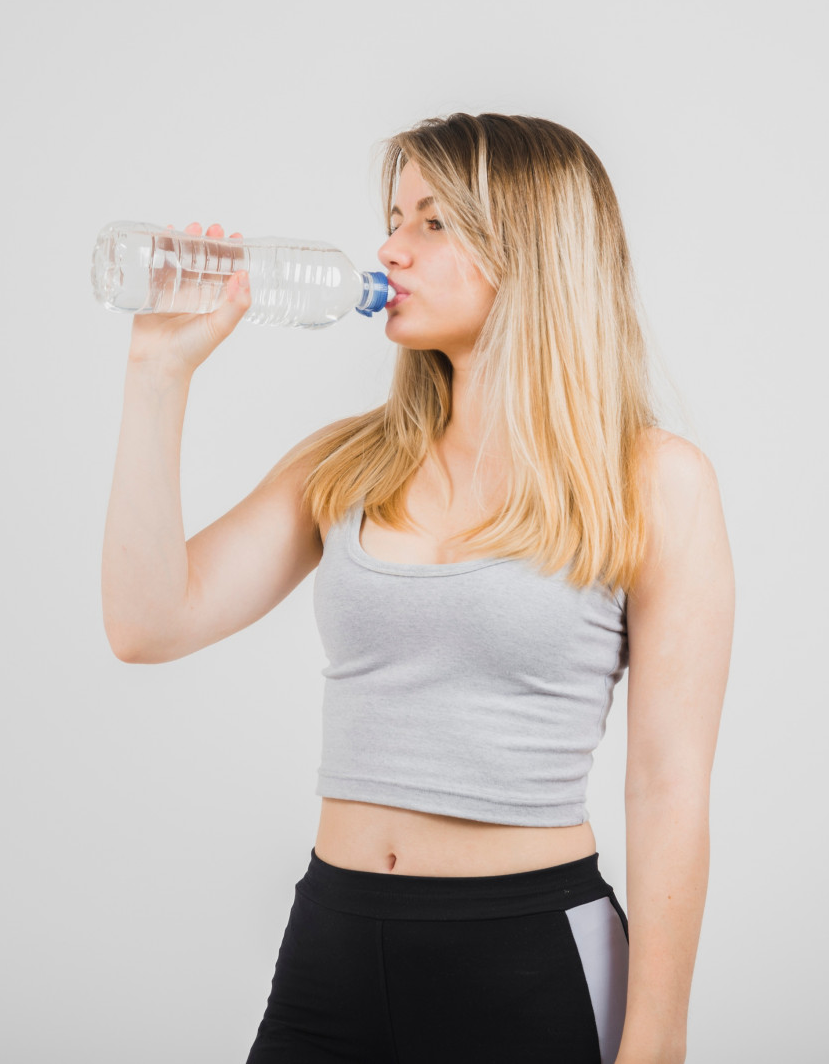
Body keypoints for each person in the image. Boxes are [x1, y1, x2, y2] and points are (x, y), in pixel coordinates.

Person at [102, 112, 735, 1063]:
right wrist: (157, 374)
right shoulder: (348, 462)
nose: (390, 247)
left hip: (530, 951)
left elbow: (669, 784)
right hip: (336, 941)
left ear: (531, 247)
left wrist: (658, 1039)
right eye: (394, 215)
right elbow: (147, 621)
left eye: (433, 222)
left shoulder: (650, 478)